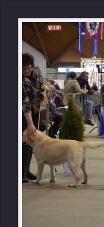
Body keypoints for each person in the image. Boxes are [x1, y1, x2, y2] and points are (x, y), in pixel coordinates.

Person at [22, 52, 47, 183]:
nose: (27, 70)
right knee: (26, 140)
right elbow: (25, 103)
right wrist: (30, 124)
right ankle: (21, 172)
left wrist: (43, 93)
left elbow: (41, 84)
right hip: (23, 111)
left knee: (32, 140)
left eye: (28, 67)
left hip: (36, 108)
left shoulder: (36, 70)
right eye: (24, 68)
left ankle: (26, 170)